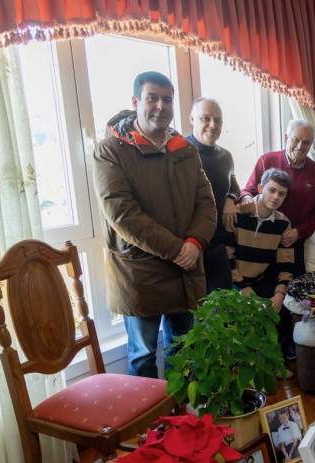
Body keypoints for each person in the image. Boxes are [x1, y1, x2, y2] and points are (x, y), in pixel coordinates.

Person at [93, 71, 216, 378]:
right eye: (152, 98)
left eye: (167, 99)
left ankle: (180, 422)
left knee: (184, 351)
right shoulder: (111, 150)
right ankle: (149, 427)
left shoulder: (186, 150)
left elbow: (207, 203)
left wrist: (195, 242)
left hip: (184, 271)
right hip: (140, 274)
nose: (160, 106)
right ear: (136, 101)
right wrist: (179, 249)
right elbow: (123, 214)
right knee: (144, 355)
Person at [239, 119, 315, 279]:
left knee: (289, 295)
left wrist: (299, 232)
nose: (300, 146)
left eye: (306, 143)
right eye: (295, 139)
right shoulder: (267, 160)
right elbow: (248, 190)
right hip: (261, 239)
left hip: (292, 242)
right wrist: (245, 198)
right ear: (287, 138)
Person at [228, 168, 295, 353]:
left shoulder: (283, 223)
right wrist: (245, 291)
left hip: (259, 281)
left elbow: (286, 265)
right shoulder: (237, 214)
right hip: (232, 283)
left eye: (281, 194)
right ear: (260, 188)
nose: (276, 197)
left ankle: (274, 361)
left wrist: (280, 294)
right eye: (271, 190)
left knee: (284, 310)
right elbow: (226, 259)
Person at [186, 97, 240, 293]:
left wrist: (231, 198)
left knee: (221, 311)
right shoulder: (179, 152)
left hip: (217, 243)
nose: (212, 124)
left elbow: (234, 184)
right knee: (187, 317)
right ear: (192, 118)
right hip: (188, 245)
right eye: (205, 118)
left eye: (217, 120)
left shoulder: (225, 156)